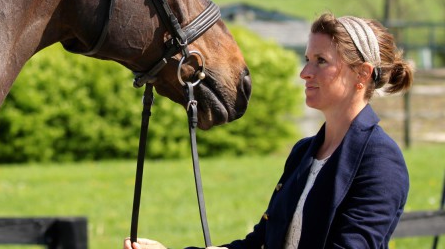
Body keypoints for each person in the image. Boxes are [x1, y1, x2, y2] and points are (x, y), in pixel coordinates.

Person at [124, 13, 413, 249]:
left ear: (361, 74)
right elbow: (260, 243)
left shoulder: (380, 161)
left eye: (320, 61)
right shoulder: (304, 152)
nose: (305, 72)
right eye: (307, 58)